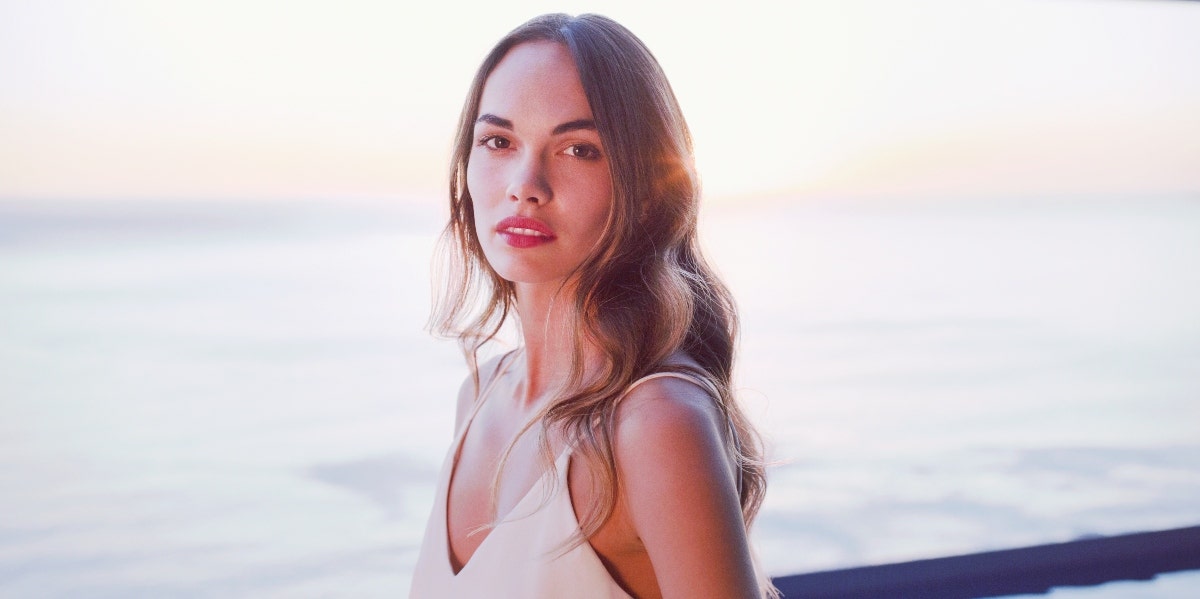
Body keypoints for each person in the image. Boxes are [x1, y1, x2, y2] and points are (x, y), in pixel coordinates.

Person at [411, 13, 776, 599]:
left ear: (645, 182)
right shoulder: (479, 396)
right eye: (499, 141)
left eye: (579, 149)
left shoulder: (656, 424)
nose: (526, 183)